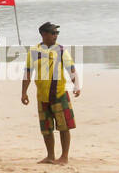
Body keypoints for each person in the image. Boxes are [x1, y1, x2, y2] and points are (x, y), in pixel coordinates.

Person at [21, 22, 80, 165]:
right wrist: (24, 92)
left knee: (63, 126)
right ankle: (50, 155)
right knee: (46, 128)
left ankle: (64, 157)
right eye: (53, 33)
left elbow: (70, 68)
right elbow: (28, 72)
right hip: (42, 95)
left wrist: (76, 85)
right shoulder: (34, 51)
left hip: (59, 93)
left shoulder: (60, 50)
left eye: (56, 33)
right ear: (43, 34)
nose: (55, 35)